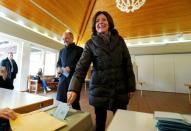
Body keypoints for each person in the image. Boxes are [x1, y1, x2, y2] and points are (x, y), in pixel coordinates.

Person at [67, 11, 136, 131]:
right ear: (94, 25)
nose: (101, 22)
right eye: (97, 21)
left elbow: (127, 63)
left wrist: (131, 87)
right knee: (99, 124)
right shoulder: (90, 43)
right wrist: (73, 88)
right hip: (99, 90)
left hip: (120, 89)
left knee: (121, 123)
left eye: (104, 19)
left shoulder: (119, 40)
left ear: (109, 22)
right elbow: (81, 67)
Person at [56, 31, 83, 110]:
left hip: (74, 79)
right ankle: (62, 119)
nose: (65, 40)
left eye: (67, 38)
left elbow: (81, 64)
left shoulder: (80, 50)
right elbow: (58, 63)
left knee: (74, 102)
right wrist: (58, 68)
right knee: (62, 100)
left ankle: (80, 120)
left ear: (72, 38)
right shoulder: (61, 51)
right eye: (63, 39)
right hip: (63, 79)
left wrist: (71, 68)